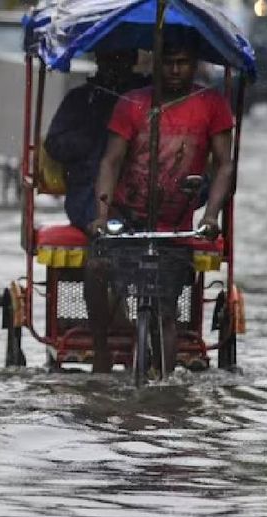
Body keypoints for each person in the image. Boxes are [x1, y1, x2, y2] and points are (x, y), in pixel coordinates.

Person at [86, 35, 235, 375]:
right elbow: (110, 161)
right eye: (167, 63)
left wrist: (211, 215)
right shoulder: (131, 103)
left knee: (166, 310)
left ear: (193, 64)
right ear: (154, 63)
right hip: (127, 216)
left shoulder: (212, 104)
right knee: (95, 268)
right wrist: (101, 216)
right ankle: (100, 348)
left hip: (176, 222)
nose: (174, 70)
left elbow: (224, 164)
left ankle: (165, 384)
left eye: (182, 63)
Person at [44, 49, 147, 232]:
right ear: (98, 58)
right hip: (87, 198)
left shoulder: (149, 97)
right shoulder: (81, 99)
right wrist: (93, 132)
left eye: (121, 56)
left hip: (142, 199)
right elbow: (54, 145)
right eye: (108, 56)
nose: (115, 63)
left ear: (133, 58)